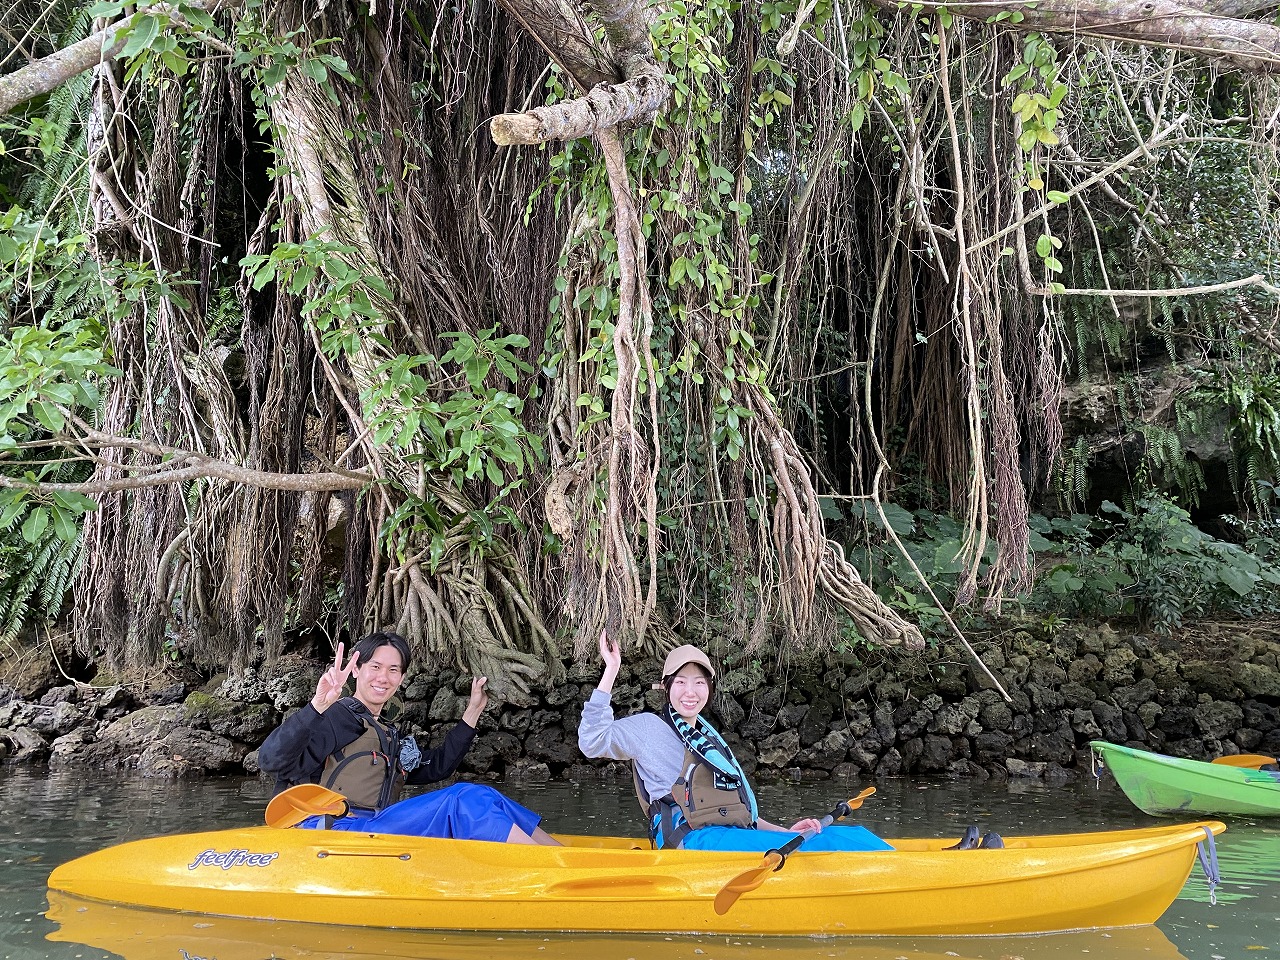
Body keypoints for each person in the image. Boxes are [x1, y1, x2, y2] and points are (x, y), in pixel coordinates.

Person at [578, 631, 893, 852]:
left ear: (709, 689)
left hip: (722, 836)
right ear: (666, 687)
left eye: (700, 683)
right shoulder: (648, 728)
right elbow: (592, 742)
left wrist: (786, 832)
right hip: (691, 843)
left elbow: (734, 814)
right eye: (681, 682)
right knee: (835, 844)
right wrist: (611, 670)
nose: (691, 692)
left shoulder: (706, 738)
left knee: (852, 836)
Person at [259, 631, 559, 845]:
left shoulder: (386, 733)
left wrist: (473, 712)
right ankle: (547, 866)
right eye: (375, 667)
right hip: (330, 830)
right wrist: (317, 705)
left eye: (393, 670)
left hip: (373, 826)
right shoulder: (336, 717)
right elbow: (272, 761)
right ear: (356, 670)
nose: (383, 677)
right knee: (461, 800)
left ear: (401, 678)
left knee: (482, 795)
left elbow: (437, 768)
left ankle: (561, 857)